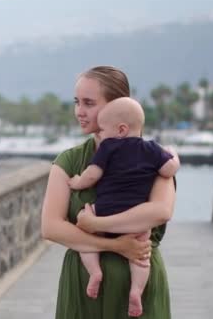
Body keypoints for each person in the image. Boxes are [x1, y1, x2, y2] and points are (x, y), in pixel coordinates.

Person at [40, 66, 176, 319]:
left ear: (118, 105)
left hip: (139, 287)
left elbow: (160, 211)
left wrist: (94, 224)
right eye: (77, 102)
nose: (79, 111)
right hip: (83, 286)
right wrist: (116, 245)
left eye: (89, 103)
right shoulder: (68, 162)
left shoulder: (151, 155)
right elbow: (50, 228)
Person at [66, 97, 180, 317]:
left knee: (84, 236)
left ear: (120, 130)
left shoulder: (109, 147)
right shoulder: (152, 149)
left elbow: (93, 175)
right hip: (135, 218)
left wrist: (77, 182)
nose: (99, 134)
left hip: (105, 209)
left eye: (102, 130)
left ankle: (94, 271)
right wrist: (173, 154)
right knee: (141, 257)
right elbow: (169, 170)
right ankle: (136, 292)